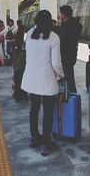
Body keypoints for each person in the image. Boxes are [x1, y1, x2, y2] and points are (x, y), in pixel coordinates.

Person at [21, 10, 64, 156]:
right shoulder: (54, 38)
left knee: (34, 108)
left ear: (36, 20)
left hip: (32, 79)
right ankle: (45, 143)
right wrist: (61, 76)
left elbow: (28, 55)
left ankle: (34, 138)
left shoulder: (29, 34)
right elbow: (56, 63)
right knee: (47, 112)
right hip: (46, 80)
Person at [58, 5, 82, 93]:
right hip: (69, 56)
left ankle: (72, 100)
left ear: (64, 15)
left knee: (69, 80)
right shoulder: (71, 25)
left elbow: (65, 42)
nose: (59, 15)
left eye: (60, 13)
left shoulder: (69, 27)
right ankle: (71, 98)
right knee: (69, 79)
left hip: (66, 57)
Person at [12, 20, 27, 101]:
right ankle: (23, 95)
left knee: (17, 77)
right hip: (22, 60)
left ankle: (18, 95)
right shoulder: (25, 32)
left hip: (18, 59)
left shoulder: (19, 31)